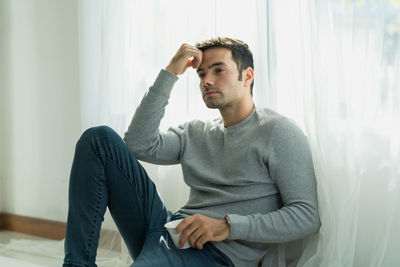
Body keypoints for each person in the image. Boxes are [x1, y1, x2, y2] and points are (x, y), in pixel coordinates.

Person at [63, 37, 320, 267]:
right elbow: (138, 145)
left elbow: (306, 216)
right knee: (99, 139)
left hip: (214, 254)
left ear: (247, 76)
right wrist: (170, 72)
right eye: (201, 74)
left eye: (219, 70)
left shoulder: (279, 132)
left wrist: (227, 226)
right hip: (168, 228)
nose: (207, 80)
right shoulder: (197, 132)